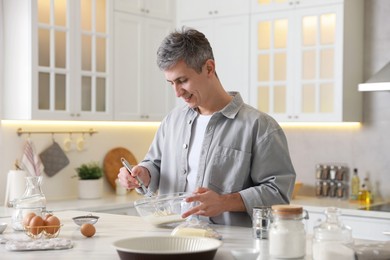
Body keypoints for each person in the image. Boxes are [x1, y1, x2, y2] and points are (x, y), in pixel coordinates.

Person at [118, 27, 296, 227]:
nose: (177, 93)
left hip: (229, 246)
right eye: (171, 83)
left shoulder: (260, 126)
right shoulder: (172, 121)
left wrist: (224, 202)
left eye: (182, 80)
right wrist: (144, 173)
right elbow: (156, 164)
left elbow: (278, 192)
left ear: (209, 68)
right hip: (173, 238)